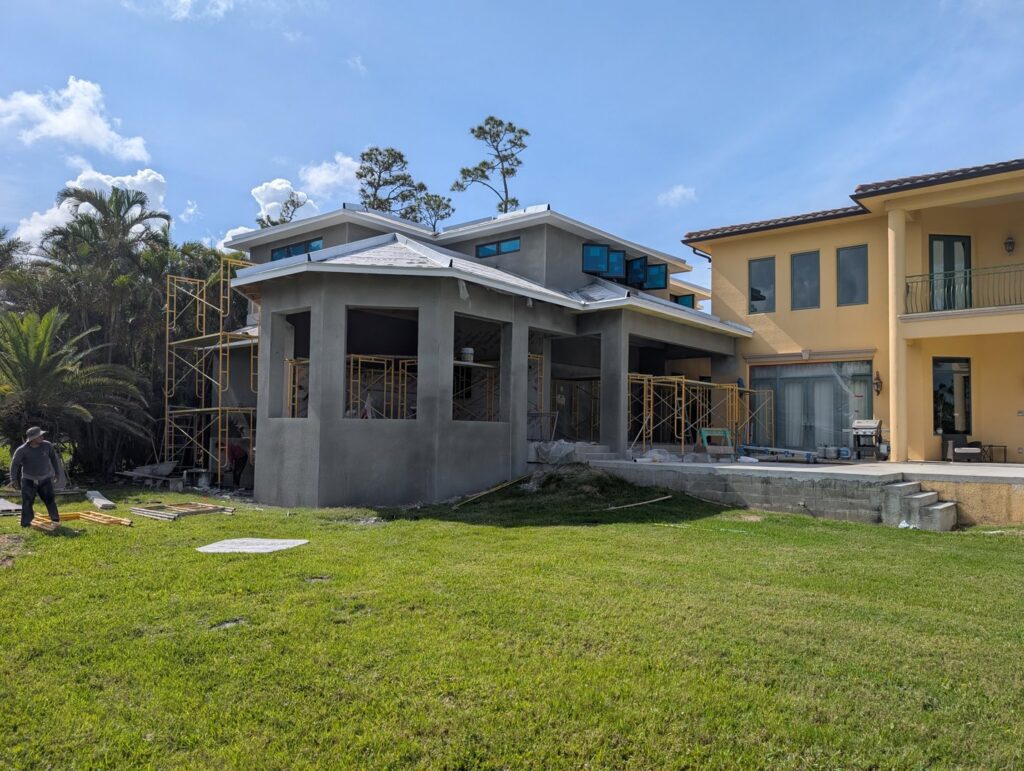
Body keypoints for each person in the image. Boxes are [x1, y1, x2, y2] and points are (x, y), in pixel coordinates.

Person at [10, 427, 61, 528]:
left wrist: (57, 473)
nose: (42, 437)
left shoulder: (47, 445)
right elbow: (14, 465)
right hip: (29, 480)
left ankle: (55, 520)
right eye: (39, 436)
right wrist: (13, 479)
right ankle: (26, 524)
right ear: (33, 438)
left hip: (45, 479)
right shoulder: (22, 450)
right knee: (27, 502)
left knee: (50, 500)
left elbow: (53, 458)